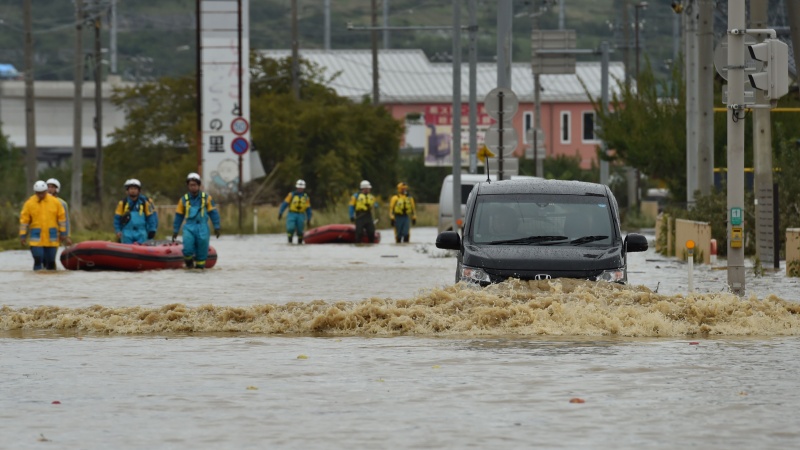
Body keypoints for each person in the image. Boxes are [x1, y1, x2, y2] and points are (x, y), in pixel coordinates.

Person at [172, 172, 221, 269]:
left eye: (195, 185)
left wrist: (217, 226)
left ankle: (199, 270)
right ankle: (189, 265)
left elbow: (213, 213)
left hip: (203, 227)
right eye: (191, 185)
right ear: (188, 186)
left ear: (199, 185)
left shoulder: (207, 198)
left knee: (202, 253)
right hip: (189, 227)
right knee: (188, 249)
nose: (193, 187)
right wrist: (175, 230)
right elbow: (179, 216)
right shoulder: (183, 200)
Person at [19, 180, 71, 270]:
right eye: (38, 193)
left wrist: (63, 233)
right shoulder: (29, 203)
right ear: (35, 192)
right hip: (36, 237)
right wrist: (22, 235)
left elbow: (62, 219)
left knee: (50, 261)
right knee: (38, 259)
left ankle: (51, 280)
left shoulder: (55, 202)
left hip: (52, 237)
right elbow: (24, 221)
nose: (41, 195)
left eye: (42, 193)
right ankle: (37, 280)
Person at [114, 179, 159, 244]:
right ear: (127, 190)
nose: (133, 191)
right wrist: (118, 230)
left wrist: (152, 230)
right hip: (126, 233)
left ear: (139, 190)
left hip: (141, 233)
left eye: (135, 189)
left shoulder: (145, 203)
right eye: (131, 188)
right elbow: (117, 219)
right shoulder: (122, 203)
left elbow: (151, 218)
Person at [278, 179, 313, 244]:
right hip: (292, 214)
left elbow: (308, 209)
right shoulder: (291, 195)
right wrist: (280, 213)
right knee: (290, 228)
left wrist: (309, 219)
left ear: (303, 188)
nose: (300, 188)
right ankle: (290, 242)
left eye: (301, 187)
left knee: (300, 231)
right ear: (297, 187)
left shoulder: (306, 197)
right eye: (299, 187)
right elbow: (284, 204)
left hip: (301, 215)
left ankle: (300, 243)